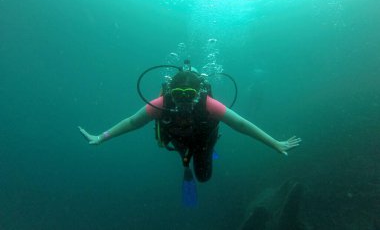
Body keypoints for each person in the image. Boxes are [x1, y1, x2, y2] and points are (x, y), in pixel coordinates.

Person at [79, 65, 301, 206]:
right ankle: (186, 167)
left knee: (204, 177)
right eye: (178, 94)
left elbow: (241, 124)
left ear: (197, 94)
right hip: (179, 142)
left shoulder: (208, 104)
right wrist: (101, 136)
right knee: (185, 160)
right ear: (170, 93)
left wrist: (275, 143)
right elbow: (131, 122)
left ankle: (204, 154)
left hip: (203, 142)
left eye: (189, 94)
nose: (183, 99)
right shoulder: (161, 104)